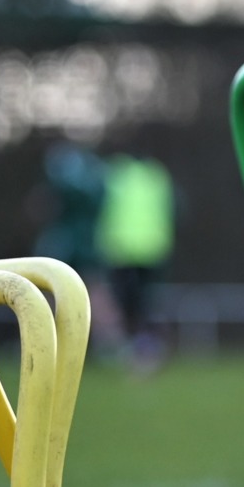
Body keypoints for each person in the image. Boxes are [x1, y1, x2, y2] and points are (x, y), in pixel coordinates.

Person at [30, 141, 122, 347]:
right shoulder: (96, 178)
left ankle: (110, 345)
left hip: (75, 248)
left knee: (92, 295)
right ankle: (44, 343)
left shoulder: (77, 183)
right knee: (65, 294)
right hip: (80, 246)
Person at [96, 154, 178, 372]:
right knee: (145, 304)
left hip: (123, 251)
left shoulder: (116, 175)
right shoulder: (157, 176)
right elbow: (176, 208)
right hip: (151, 249)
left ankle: (140, 350)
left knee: (131, 305)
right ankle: (144, 349)